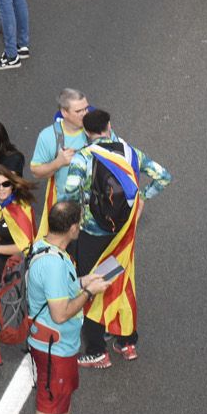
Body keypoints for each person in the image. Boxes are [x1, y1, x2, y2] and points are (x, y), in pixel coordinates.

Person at [57, 108, 174, 367]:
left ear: (86, 132)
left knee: (90, 284)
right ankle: (127, 340)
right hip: (123, 231)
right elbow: (164, 176)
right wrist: (141, 198)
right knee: (121, 280)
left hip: (92, 232)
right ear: (109, 125)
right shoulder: (130, 152)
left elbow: (69, 194)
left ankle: (97, 349)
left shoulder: (84, 157)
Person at [24, 199, 113, 414]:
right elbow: (60, 313)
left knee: (63, 395)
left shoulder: (49, 248)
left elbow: (60, 290)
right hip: (52, 346)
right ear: (73, 227)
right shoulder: (52, 264)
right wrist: (90, 294)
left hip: (61, 345)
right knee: (48, 403)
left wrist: (85, 281)